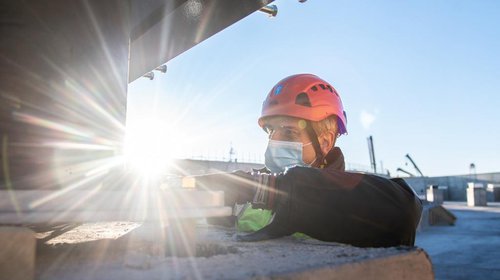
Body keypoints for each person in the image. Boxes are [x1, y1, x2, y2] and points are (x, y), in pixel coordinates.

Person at [198, 74, 422, 248]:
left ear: (324, 142)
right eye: (271, 131)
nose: (274, 141)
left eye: (288, 133)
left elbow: (406, 211)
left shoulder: (353, 198)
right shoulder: (246, 190)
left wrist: (271, 191)